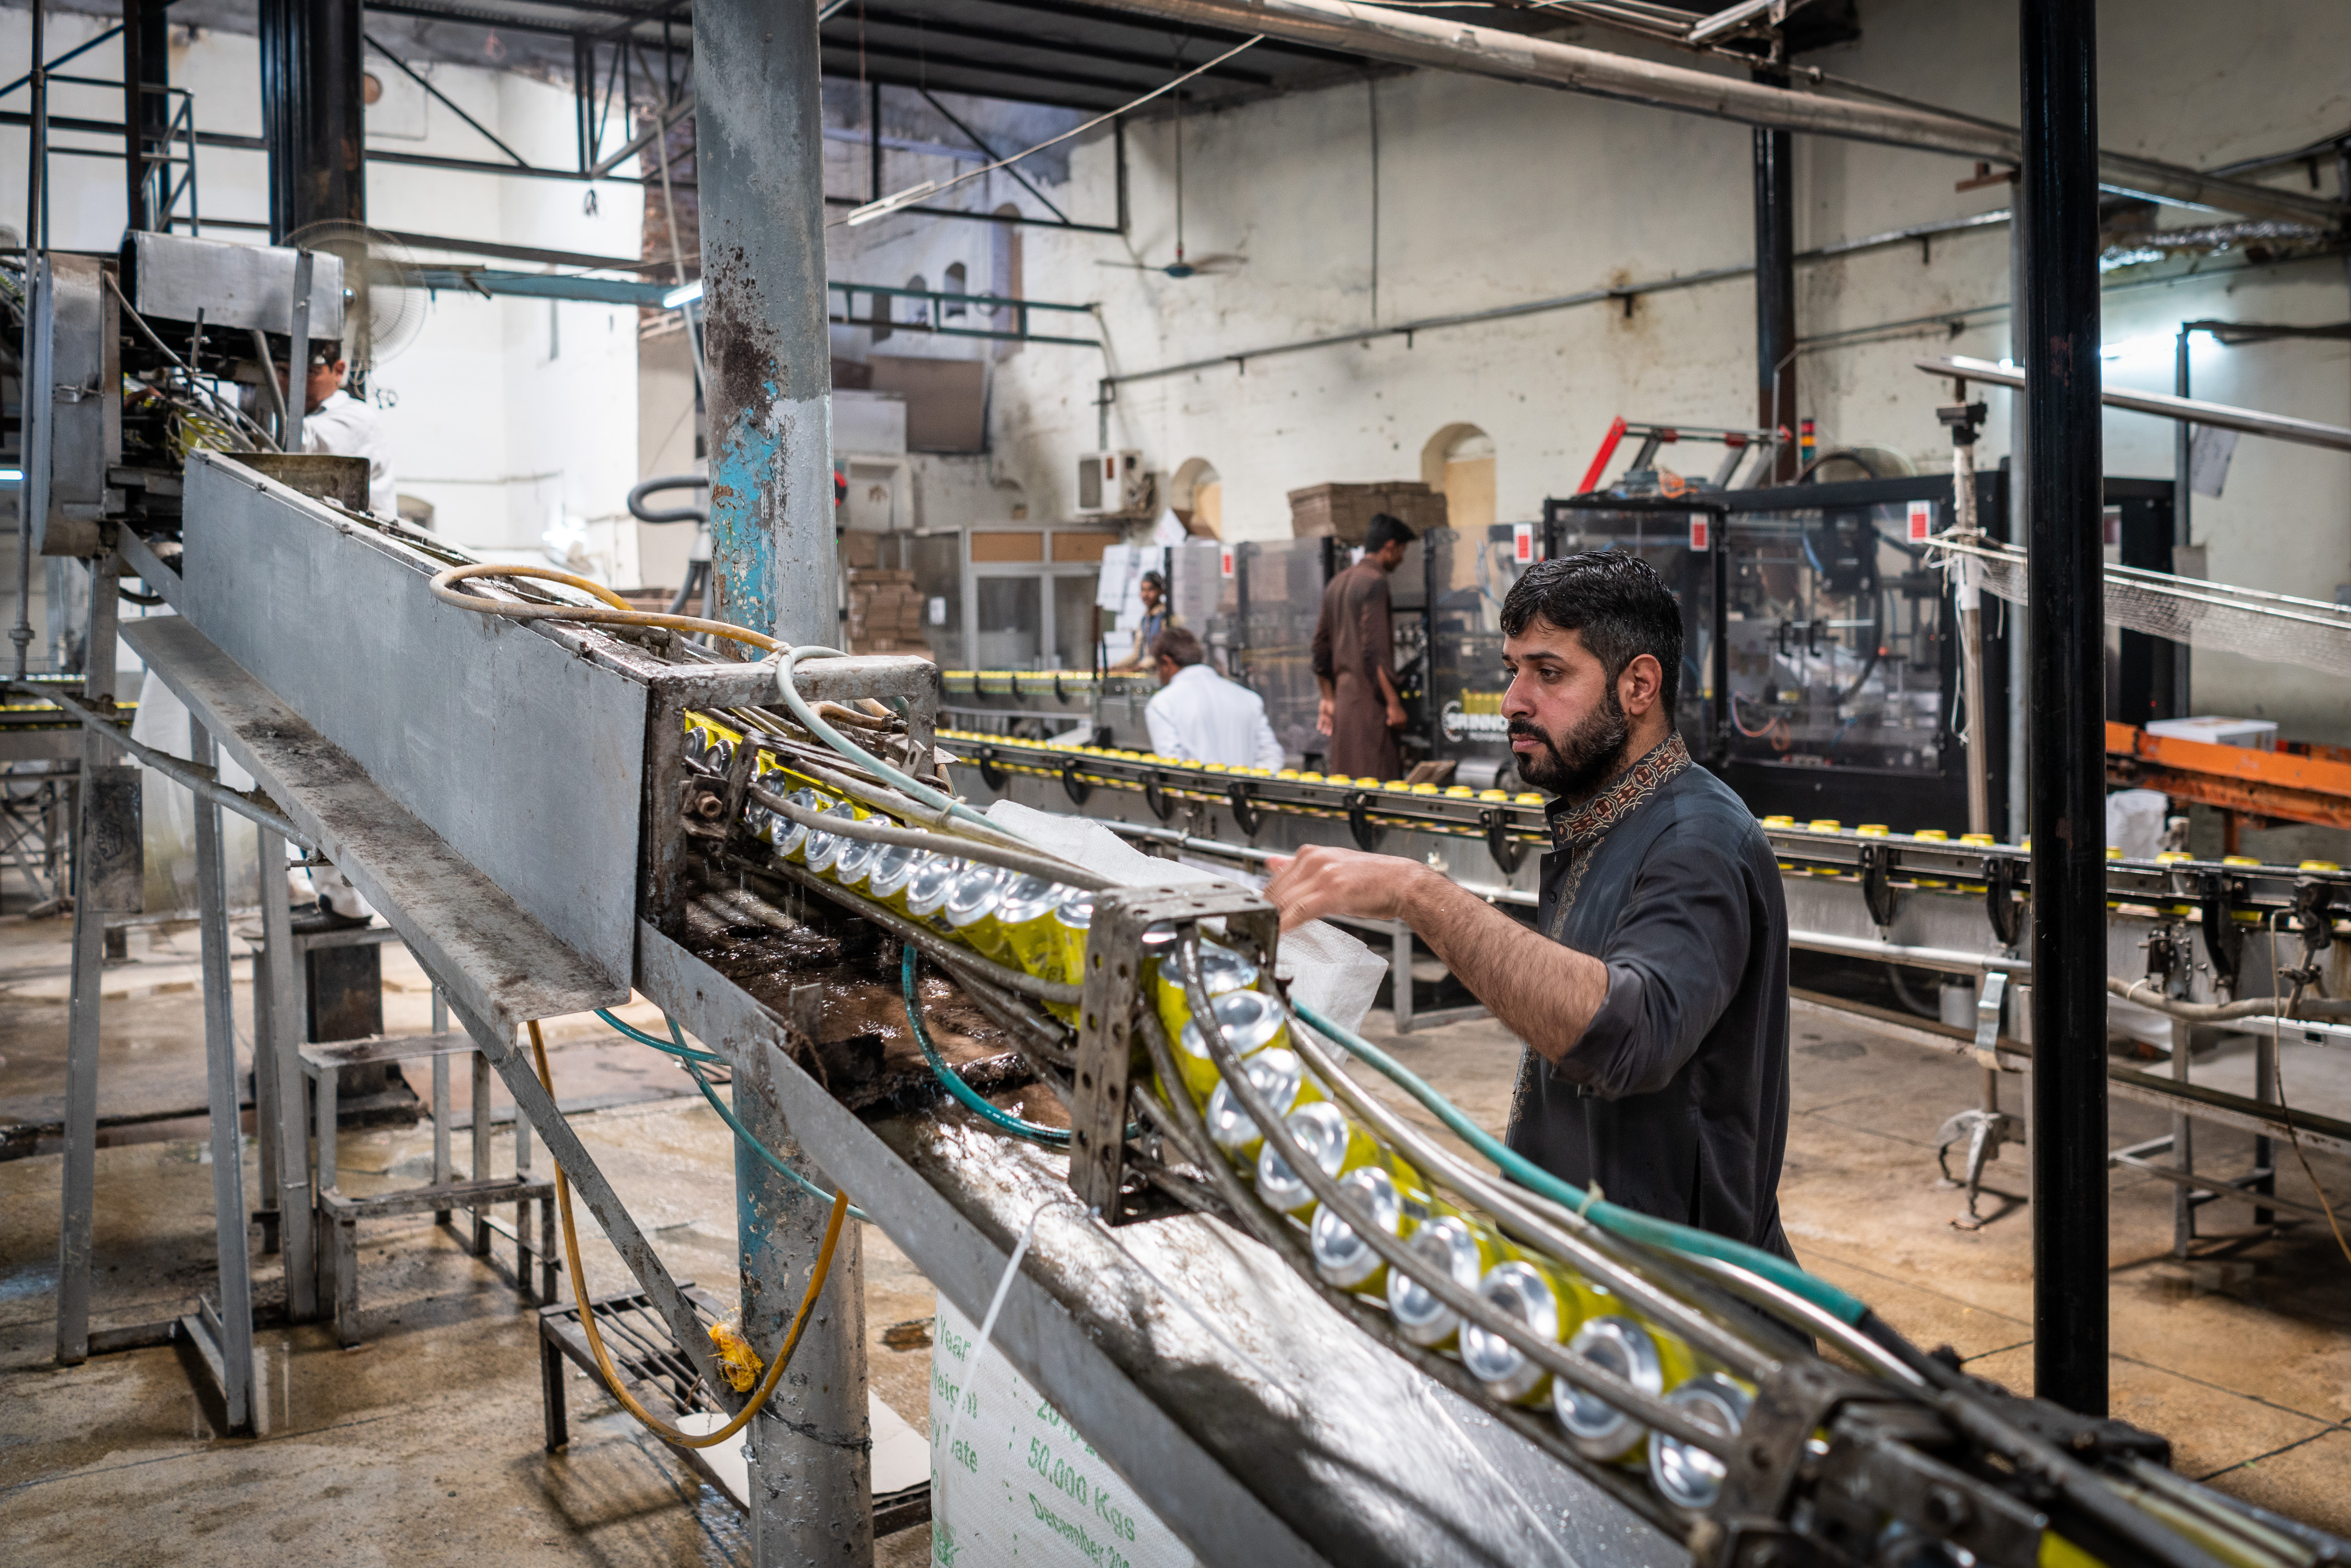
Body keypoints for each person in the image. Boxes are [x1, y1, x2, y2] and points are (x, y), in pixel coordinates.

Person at [1266, 551, 1793, 1257]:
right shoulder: (1600, 819)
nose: (1514, 700)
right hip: (1583, 1270)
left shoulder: (1695, 843)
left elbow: (1625, 1036)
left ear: (1639, 684)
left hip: (1679, 1306)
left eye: (1548, 673)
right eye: (1512, 670)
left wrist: (1415, 893)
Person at [1310, 514, 1412, 779]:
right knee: (1377, 784)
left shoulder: (1337, 582)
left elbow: (1319, 647)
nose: (1401, 559)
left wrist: (1328, 698)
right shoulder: (1375, 582)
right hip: (1370, 706)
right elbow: (1375, 652)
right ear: (1390, 546)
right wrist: (1393, 704)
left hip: (1344, 703)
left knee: (1347, 784)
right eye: (1402, 551)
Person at [281, 341, 397, 518]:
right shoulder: (306, 417)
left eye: (310, 372)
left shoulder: (357, 417)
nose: (293, 383)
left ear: (339, 371)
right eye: (283, 372)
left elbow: (302, 441)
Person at [1144, 625, 1284, 769]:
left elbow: (1173, 768)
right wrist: (1247, 787)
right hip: (1246, 789)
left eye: (1157, 668)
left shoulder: (1163, 705)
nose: (1159, 674)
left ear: (1166, 663)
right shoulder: (1249, 699)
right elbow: (1271, 755)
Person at [1107, 569, 1172, 673]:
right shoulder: (1144, 620)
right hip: (1145, 675)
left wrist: (1141, 667)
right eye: (1143, 590)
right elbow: (1137, 654)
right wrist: (1114, 668)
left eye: (1151, 590)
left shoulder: (1165, 617)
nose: (1145, 595)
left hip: (1160, 675)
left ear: (1161, 591)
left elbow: (1165, 652)